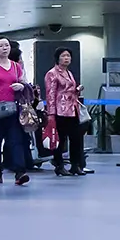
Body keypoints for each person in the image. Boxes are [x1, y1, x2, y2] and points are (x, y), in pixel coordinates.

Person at [0, 36, 30, 186]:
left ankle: (19, 172)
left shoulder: (16, 67)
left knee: (16, 141)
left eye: (7, 45)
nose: (4, 48)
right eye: (1, 46)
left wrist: (21, 87)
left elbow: (24, 84)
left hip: (13, 109)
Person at [41, 47, 86, 177]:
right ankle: (59, 165)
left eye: (68, 56)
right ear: (57, 58)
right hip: (60, 111)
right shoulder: (52, 73)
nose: (66, 58)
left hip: (72, 109)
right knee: (60, 140)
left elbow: (69, 90)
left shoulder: (69, 73)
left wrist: (77, 89)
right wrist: (51, 114)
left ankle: (75, 165)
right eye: (63, 56)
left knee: (76, 138)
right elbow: (50, 94)